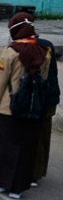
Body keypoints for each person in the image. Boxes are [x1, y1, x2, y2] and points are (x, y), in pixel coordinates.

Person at [0, 13, 53, 199]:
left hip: (10, 107)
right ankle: (18, 188)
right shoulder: (44, 51)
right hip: (33, 107)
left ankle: (0, 181)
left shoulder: (10, 52)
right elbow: (44, 80)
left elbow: (0, 84)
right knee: (26, 147)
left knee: (6, 145)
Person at [33, 38, 60, 186]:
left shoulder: (40, 48)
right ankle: (36, 172)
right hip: (48, 97)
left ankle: (34, 173)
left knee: (39, 135)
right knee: (42, 136)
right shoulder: (45, 45)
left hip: (43, 99)